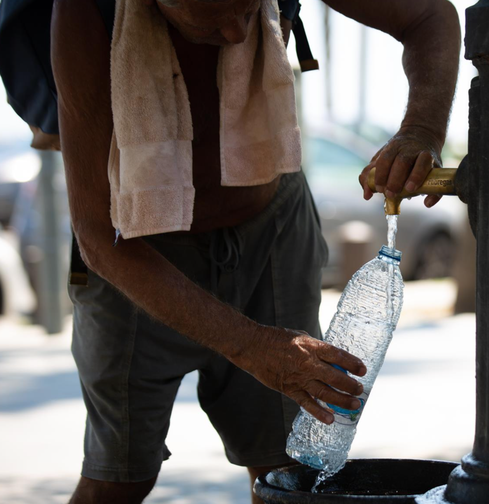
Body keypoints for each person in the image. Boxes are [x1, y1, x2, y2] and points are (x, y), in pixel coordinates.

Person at [50, 0, 461, 502]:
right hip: (135, 246)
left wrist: (421, 128)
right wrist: (253, 346)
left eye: (250, 8)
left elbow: (430, 17)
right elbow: (97, 238)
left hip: (269, 224)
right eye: (212, 18)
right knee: (118, 477)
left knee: (287, 468)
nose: (238, 30)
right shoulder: (83, 14)